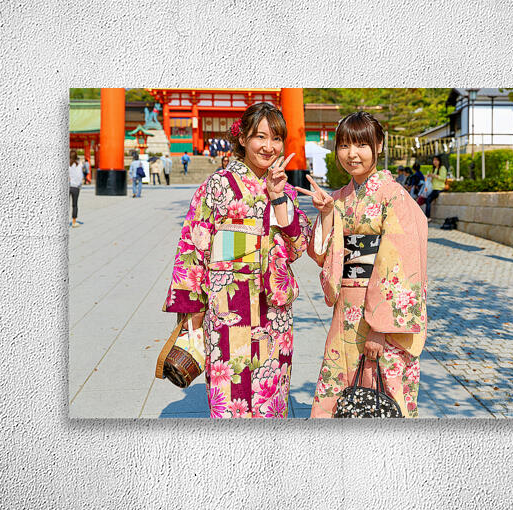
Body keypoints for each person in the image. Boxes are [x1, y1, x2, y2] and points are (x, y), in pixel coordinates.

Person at [163, 102, 311, 418]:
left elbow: (298, 247)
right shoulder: (217, 185)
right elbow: (193, 247)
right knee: (230, 397)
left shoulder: (285, 189)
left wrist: (278, 198)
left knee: (272, 397)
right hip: (227, 305)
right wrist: (192, 312)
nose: (269, 147)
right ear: (242, 138)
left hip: (274, 309)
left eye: (276, 138)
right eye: (260, 137)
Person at [296, 111, 428, 418]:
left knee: (382, 392)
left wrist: (380, 329)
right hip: (346, 309)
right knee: (339, 387)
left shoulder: (394, 196)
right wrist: (327, 214)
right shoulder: (339, 199)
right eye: (344, 145)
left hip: (380, 313)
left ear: (378, 145)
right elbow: (320, 254)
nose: (351, 154)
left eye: (361, 145)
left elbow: (400, 264)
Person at [69, 153, 84, 228]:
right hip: (75, 187)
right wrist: (79, 185)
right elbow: (80, 176)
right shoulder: (79, 165)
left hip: (68, 186)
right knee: (74, 205)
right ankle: (74, 222)